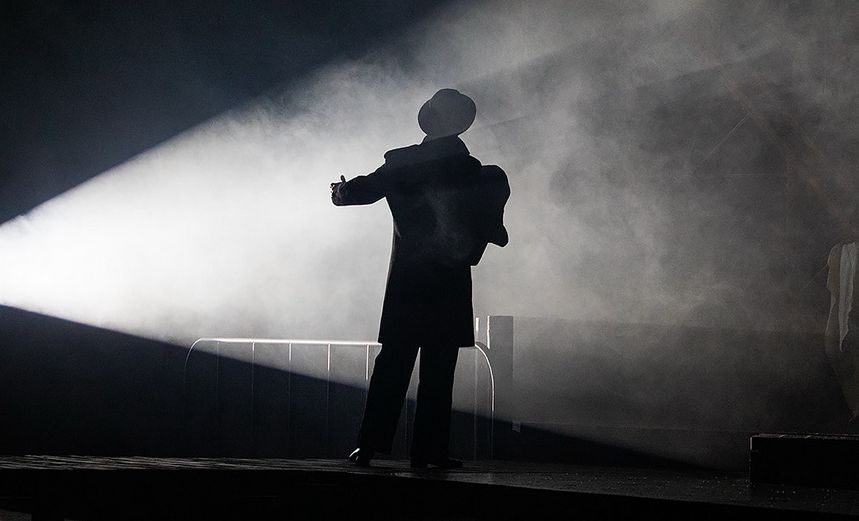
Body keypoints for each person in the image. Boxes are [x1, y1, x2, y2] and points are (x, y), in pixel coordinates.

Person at [330, 88, 510, 469]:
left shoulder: (402, 163)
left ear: (428, 120)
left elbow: (358, 192)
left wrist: (339, 190)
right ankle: (429, 451)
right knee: (439, 371)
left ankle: (368, 445)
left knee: (392, 364)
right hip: (449, 284)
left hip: (408, 285)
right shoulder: (476, 172)